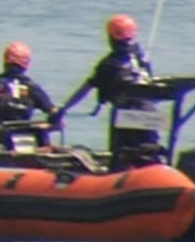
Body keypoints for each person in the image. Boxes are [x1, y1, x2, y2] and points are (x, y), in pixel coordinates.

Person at [54, 14, 160, 166]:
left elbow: (86, 87)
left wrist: (63, 109)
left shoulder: (109, 64)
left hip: (126, 114)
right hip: (150, 113)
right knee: (150, 152)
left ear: (111, 37)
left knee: (121, 156)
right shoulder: (142, 59)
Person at [0, 41, 59, 161]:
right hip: (26, 133)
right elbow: (53, 113)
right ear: (26, 64)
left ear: (5, 61)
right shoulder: (32, 87)